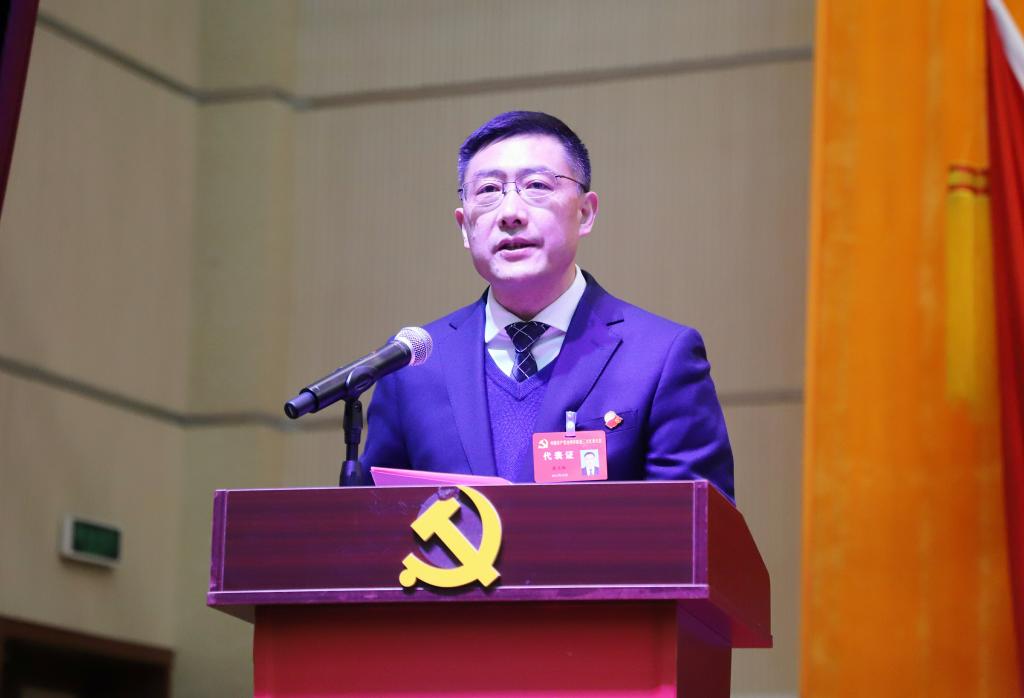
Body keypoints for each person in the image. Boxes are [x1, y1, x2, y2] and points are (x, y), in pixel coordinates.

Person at [362, 111, 734, 501]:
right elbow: (372, 525)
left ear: (585, 213)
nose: (510, 213)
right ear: (464, 226)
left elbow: (694, 527)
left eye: (536, 185)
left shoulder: (659, 357)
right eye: (488, 190)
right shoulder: (413, 368)